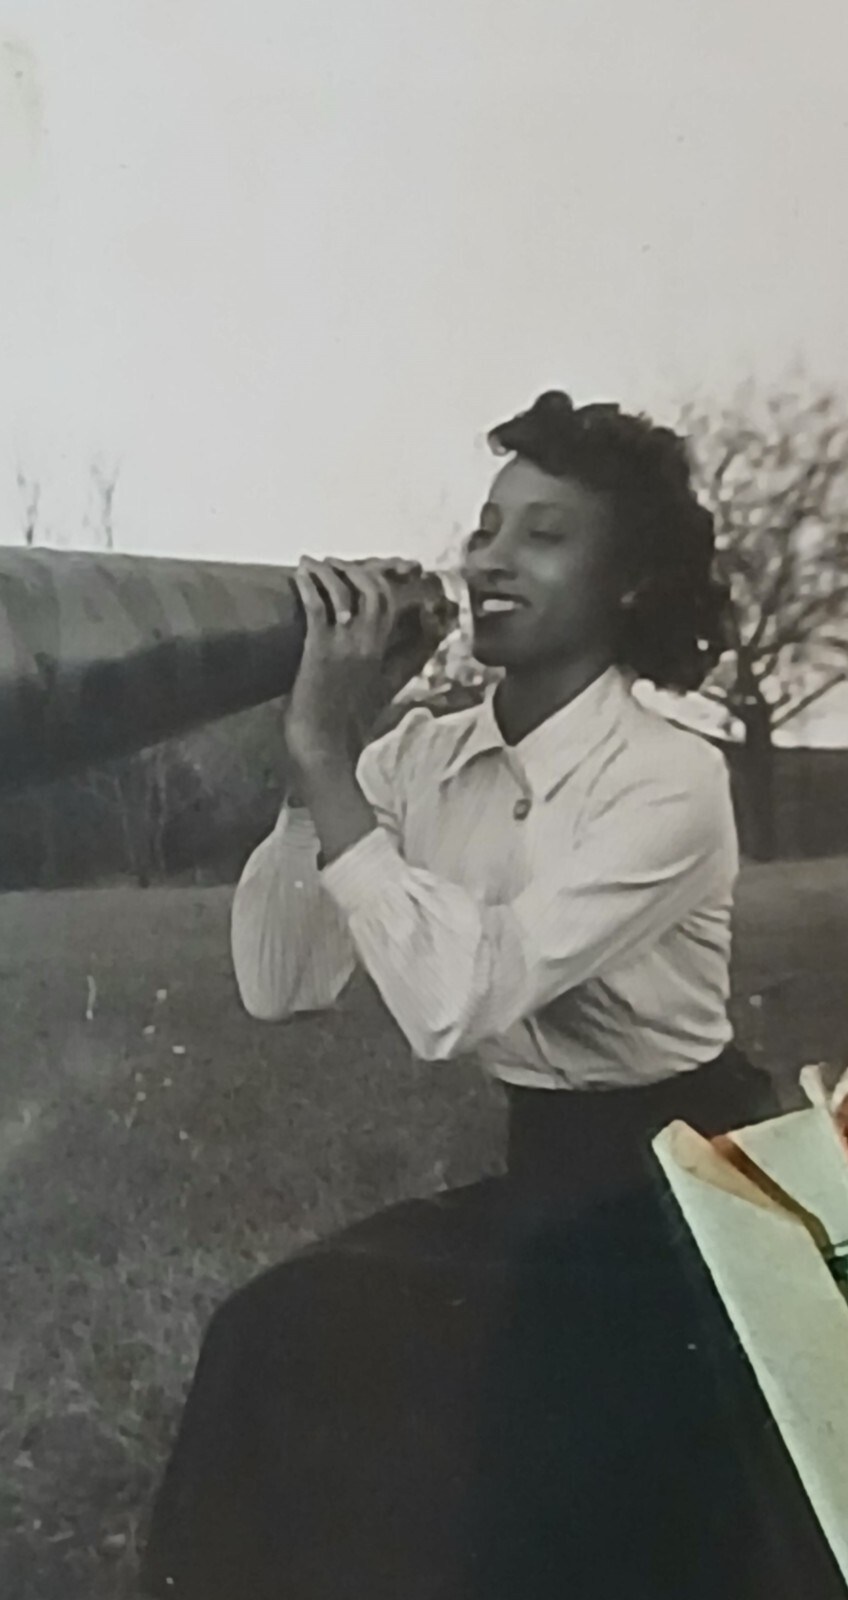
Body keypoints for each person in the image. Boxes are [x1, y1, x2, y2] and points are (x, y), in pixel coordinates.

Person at [138, 393, 836, 1599]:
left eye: (544, 534)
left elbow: (460, 992)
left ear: (627, 585)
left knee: (565, 1470)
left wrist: (319, 755)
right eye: (486, 527)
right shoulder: (416, 759)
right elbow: (282, 984)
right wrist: (328, 773)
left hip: (699, 1185)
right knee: (271, 1330)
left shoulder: (671, 780)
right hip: (555, 1179)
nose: (490, 559)